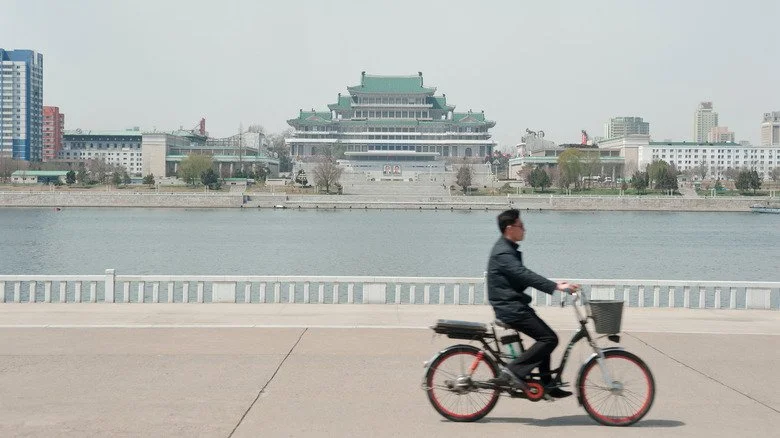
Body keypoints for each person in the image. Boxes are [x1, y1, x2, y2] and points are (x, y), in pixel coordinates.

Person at [486, 209, 579, 398]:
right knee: (549, 339)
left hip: (514, 305)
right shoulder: (503, 252)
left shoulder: (507, 249)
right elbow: (524, 275)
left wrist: (555, 284)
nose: (524, 229)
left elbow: (521, 277)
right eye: (521, 226)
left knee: (544, 337)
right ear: (509, 228)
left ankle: (547, 385)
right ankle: (512, 371)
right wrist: (555, 286)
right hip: (510, 308)